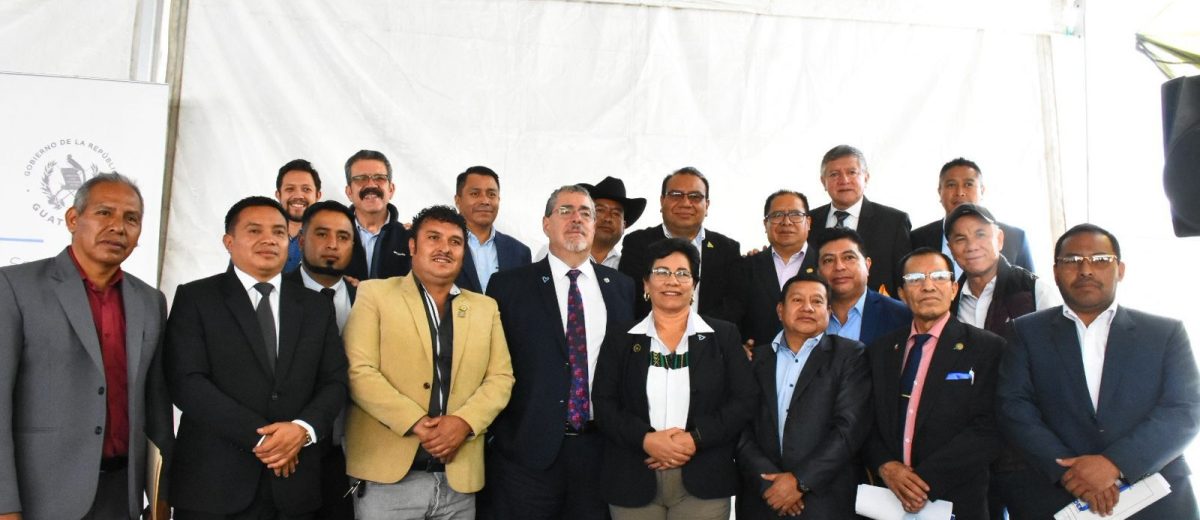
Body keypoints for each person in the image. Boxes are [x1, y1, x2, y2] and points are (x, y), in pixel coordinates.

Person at [0, 173, 173, 519]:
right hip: (41, 496)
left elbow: (157, 406)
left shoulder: (150, 301)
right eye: (104, 213)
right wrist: (5, 505)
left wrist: (160, 496)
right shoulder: (14, 287)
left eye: (131, 219)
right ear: (72, 219)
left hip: (121, 494)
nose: (118, 227)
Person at [998, 224, 1200, 519]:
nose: (1086, 270)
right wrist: (1071, 473)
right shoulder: (1025, 332)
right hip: (1057, 495)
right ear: (1056, 272)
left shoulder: (1164, 333)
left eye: (1100, 259)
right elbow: (1013, 407)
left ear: (1120, 270)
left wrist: (1115, 464)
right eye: (1072, 260)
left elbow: (1185, 410)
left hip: (1155, 496)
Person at [165, 196, 349, 519]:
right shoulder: (196, 298)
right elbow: (187, 383)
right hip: (213, 487)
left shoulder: (316, 306)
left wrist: (302, 429)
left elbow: (334, 382)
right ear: (229, 242)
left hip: (294, 487)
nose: (269, 240)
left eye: (278, 232)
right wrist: (265, 440)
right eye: (254, 231)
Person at [343, 205, 514, 519]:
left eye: (455, 241)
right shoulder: (375, 294)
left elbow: (501, 378)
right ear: (412, 246)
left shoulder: (485, 308)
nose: (444, 248)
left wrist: (464, 423)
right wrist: (418, 423)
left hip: (458, 480)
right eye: (433, 238)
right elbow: (359, 371)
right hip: (387, 480)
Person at [484, 185, 635, 519]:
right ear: (546, 224)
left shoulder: (622, 288)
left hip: (599, 452)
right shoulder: (508, 286)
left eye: (586, 213)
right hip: (526, 453)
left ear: (594, 226)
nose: (576, 219)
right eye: (565, 211)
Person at [593, 238, 756, 519]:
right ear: (646, 284)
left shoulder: (723, 336)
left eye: (682, 273)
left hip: (704, 477)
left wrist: (695, 439)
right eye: (661, 272)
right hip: (633, 475)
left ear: (694, 285)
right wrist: (646, 439)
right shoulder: (621, 337)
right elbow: (604, 403)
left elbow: (744, 400)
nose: (672, 281)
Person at [863, 248, 1004, 520]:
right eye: (915, 279)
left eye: (938, 277)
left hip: (956, 500)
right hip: (888, 498)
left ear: (953, 289)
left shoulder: (987, 348)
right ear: (902, 293)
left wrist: (923, 482)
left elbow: (990, 427)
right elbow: (866, 419)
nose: (928, 286)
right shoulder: (881, 350)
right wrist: (885, 465)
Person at [943, 203, 1056, 520]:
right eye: (960, 238)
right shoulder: (948, 299)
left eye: (981, 234)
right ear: (951, 248)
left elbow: (1058, 365)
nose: (972, 245)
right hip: (971, 445)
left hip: (1025, 444)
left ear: (1000, 239)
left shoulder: (1034, 290)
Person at [735, 273, 870, 519]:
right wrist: (768, 482)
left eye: (817, 301)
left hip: (824, 500)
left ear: (828, 312)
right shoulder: (755, 360)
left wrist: (800, 482)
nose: (807, 307)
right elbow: (740, 428)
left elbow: (849, 428)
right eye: (797, 300)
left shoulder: (850, 356)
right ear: (780, 310)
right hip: (762, 498)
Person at [283, 200, 357, 520]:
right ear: (301, 240)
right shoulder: (275, 296)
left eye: (343, 237)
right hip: (291, 454)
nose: (333, 244)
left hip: (352, 457)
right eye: (322, 234)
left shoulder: (370, 298)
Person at [619, 167, 741, 319]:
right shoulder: (637, 243)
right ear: (662, 201)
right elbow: (628, 300)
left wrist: (698, 330)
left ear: (707, 205)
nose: (685, 203)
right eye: (676, 195)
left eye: (695, 196)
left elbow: (734, 305)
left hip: (711, 333)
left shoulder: (727, 249)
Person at [807, 145, 912, 297]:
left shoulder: (893, 222)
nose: (844, 180)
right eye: (834, 174)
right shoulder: (808, 221)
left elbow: (905, 279)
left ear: (866, 177)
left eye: (852, 172)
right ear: (823, 182)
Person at [910, 158, 1035, 275]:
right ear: (939, 192)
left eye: (968, 184)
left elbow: (1029, 287)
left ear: (982, 191)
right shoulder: (916, 239)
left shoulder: (1015, 238)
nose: (960, 193)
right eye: (951, 185)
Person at [728, 190, 819, 351]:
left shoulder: (825, 265)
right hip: (758, 361)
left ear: (809, 222)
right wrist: (736, 349)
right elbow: (730, 318)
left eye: (795, 214)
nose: (786, 222)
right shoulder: (746, 267)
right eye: (777, 215)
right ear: (765, 224)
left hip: (817, 361)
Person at [815, 227, 910, 345]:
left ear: (867, 265)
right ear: (818, 272)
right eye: (828, 260)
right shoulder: (807, 316)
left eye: (849, 257)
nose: (839, 267)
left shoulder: (902, 315)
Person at [533, 176, 648, 269]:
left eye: (616, 213)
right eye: (600, 210)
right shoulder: (553, 253)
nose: (608, 218)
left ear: (624, 225)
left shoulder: (627, 268)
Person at [452, 166, 531, 293]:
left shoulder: (519, 252)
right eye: (475, 194)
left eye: (491, 194)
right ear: (458, 200)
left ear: (498, 200)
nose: (485, 201)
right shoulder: (440, 245)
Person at [343, 150, 411, 280]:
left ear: (391, 190)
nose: (371, 184)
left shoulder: (410, 238)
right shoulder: (331, 237)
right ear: (349, 192)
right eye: (361, 179)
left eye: (379, 178)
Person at [275, 159, 323, 274]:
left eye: (306, 189)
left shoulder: (331, 240)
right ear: (278, 195)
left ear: (317, 195)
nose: (298, 195)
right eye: (290, 189)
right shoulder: (258, 236)